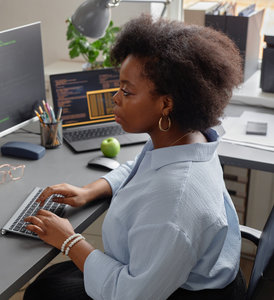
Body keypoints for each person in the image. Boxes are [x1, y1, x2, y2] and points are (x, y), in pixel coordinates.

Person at [23, 14, 245, 300]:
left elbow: (130, 295)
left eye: (127, 91)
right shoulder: (187, 138)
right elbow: (139, 169)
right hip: (167, 274)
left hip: (171, 293)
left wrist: (69, 240)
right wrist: (90, 190)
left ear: (166, 104)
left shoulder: (175, 199)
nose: (115, 98)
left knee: (45, 292)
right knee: (50, 283)